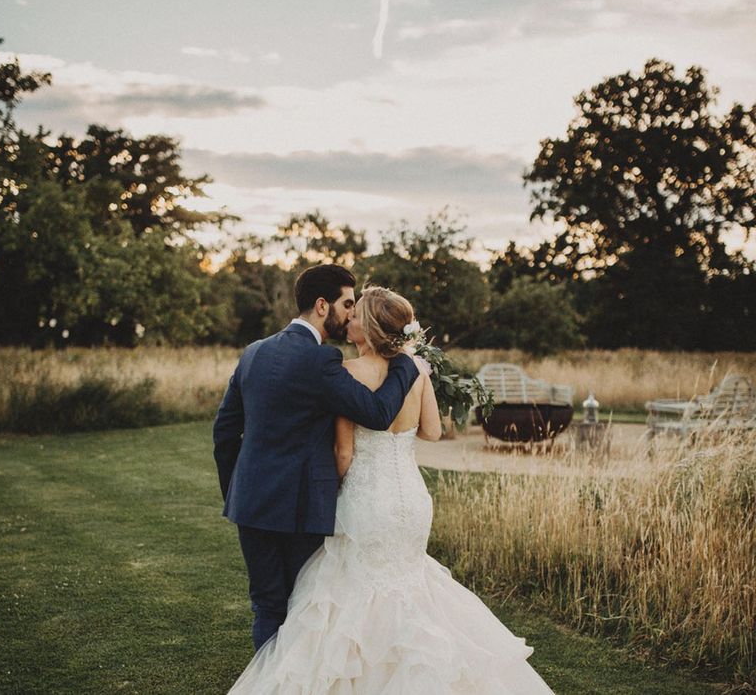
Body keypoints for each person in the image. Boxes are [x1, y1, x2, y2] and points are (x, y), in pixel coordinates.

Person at [226, 286, 555, 694]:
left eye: (357, 314)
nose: (350, 320)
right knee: (411, 585)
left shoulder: (347, 373)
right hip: (411, 500)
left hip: (368, 499)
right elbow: (432, 432)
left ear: (372, 328)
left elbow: (343, 454)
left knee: (352, 592)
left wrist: (338, 488)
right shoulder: (416, 371)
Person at [213, 265, 420, 652]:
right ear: (322, 305)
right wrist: (406, 365)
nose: (350, 313)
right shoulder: (321, 361)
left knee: (266, 605)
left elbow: (225, 433)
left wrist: (236, 491)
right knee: (299, 607)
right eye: (346, 304)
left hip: (251, 503)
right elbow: (376, 413)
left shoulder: (253, 353)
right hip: (301, 506)